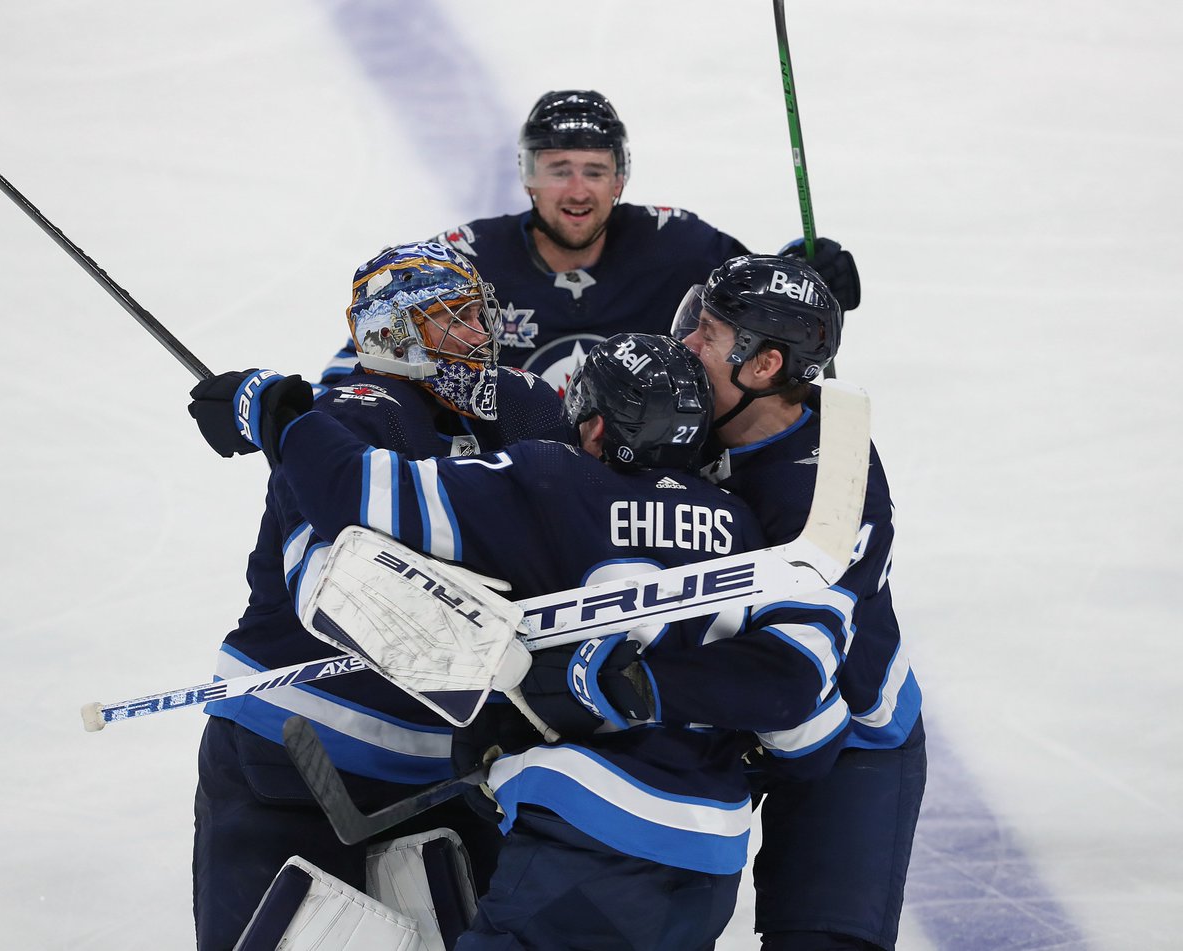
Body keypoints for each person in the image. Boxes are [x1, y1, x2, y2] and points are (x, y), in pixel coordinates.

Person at [192, 331, 857, 950]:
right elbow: (811, 730)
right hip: (709, 871)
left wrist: (276, 413)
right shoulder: (747, 529)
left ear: (595, 425)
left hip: (580, 848)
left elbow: (357, 491)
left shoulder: (551, 480)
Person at [182, 241, 573, 950]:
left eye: (478, 316)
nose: (481, 336)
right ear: (394, 335)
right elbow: (339, 590)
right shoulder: (360, 415)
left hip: (438, 773)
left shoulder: (522, 407)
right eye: (453, 320)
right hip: (294, 759)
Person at [674, 253, 926, 951]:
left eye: (710, 334)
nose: (687, 343)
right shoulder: (693, 407)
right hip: (730, 714)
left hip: (850, 736)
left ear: (763, 367)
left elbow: (795, 679)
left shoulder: (832, 488)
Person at [320, 89, 861, 394]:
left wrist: (809, 275)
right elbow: (365, 361)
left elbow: (767, 308)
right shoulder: (468, 260)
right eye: (558, 169)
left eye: (595, 171)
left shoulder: (680, 246)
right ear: (528, 177)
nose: (577, 191)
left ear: (620, 179)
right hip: (502, 485)